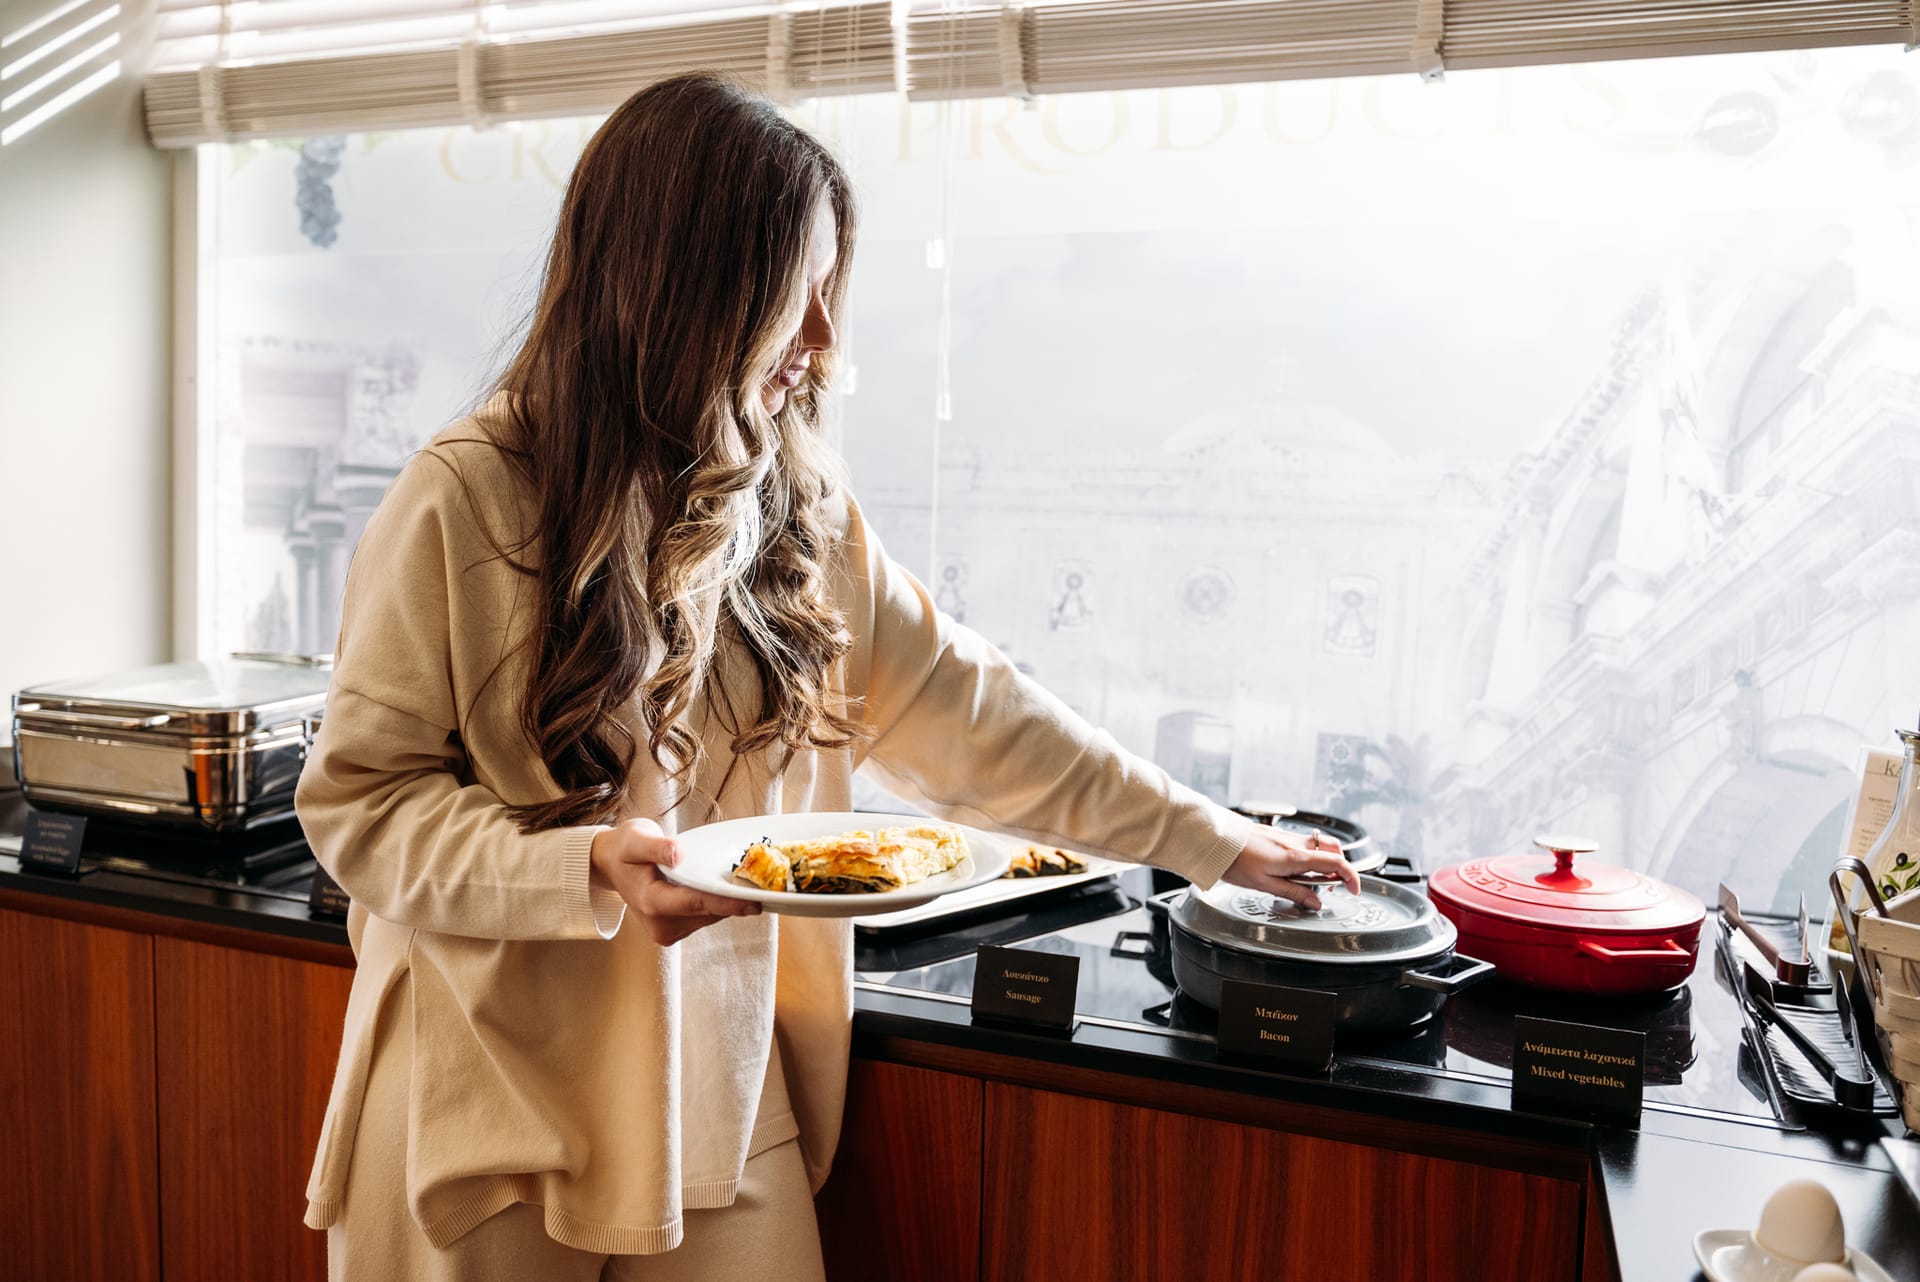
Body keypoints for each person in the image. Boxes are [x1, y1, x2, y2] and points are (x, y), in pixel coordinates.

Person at [295, 71, 1357, 1282]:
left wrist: (1207, 835)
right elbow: (358, 808)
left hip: (717, 1089)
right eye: (795, 295)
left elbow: (975, 714)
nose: (822, 344)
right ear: (682, 285)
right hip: (484, 1111)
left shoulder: (802, 512)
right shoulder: (464, 495)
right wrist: (577, 865)